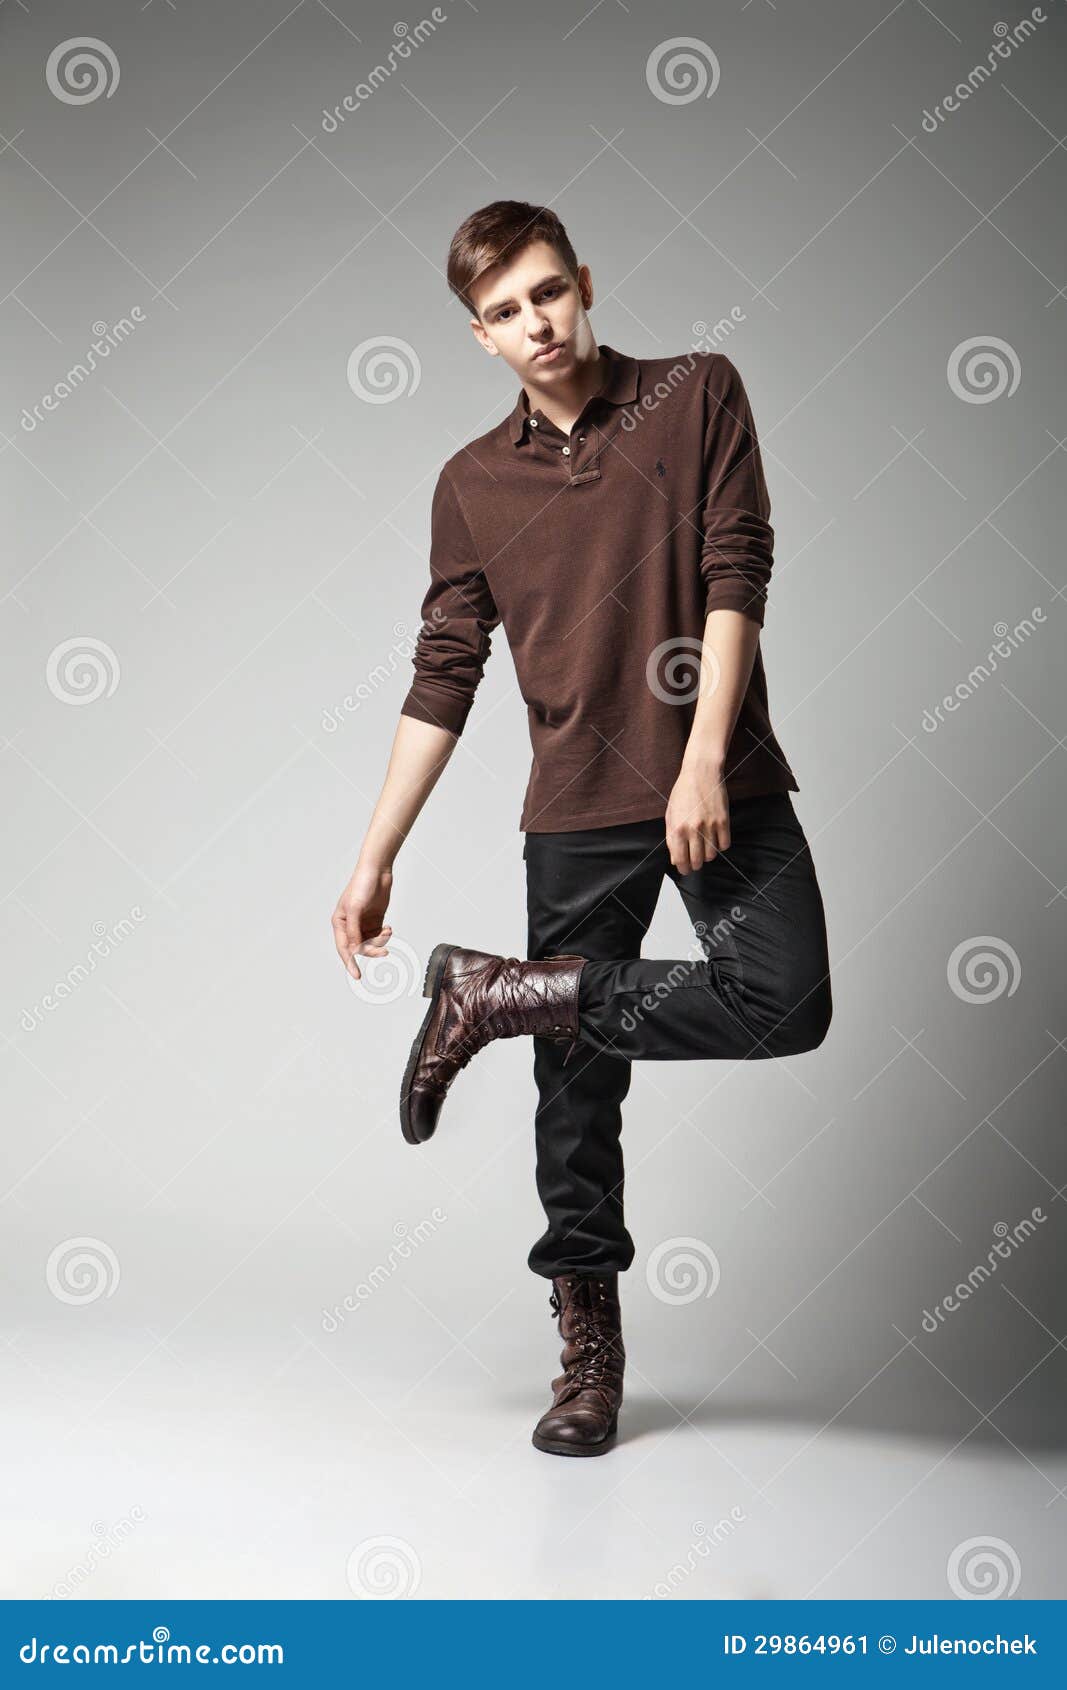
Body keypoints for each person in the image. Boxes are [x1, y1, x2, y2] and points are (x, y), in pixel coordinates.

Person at [332, 200, 833, 1458]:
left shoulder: (695, 392)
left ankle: (498, 994)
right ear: (478, 336)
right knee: (577, 1091)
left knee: (785, 999)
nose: (535, 323)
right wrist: (375, 850)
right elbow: (445, 669)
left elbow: (736, 569)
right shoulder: (471, 482)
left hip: (719, 780)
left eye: (547, 292)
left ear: (583, 282)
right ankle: (589, 1352)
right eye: (504, 312)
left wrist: (704, 757)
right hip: (573, 808)